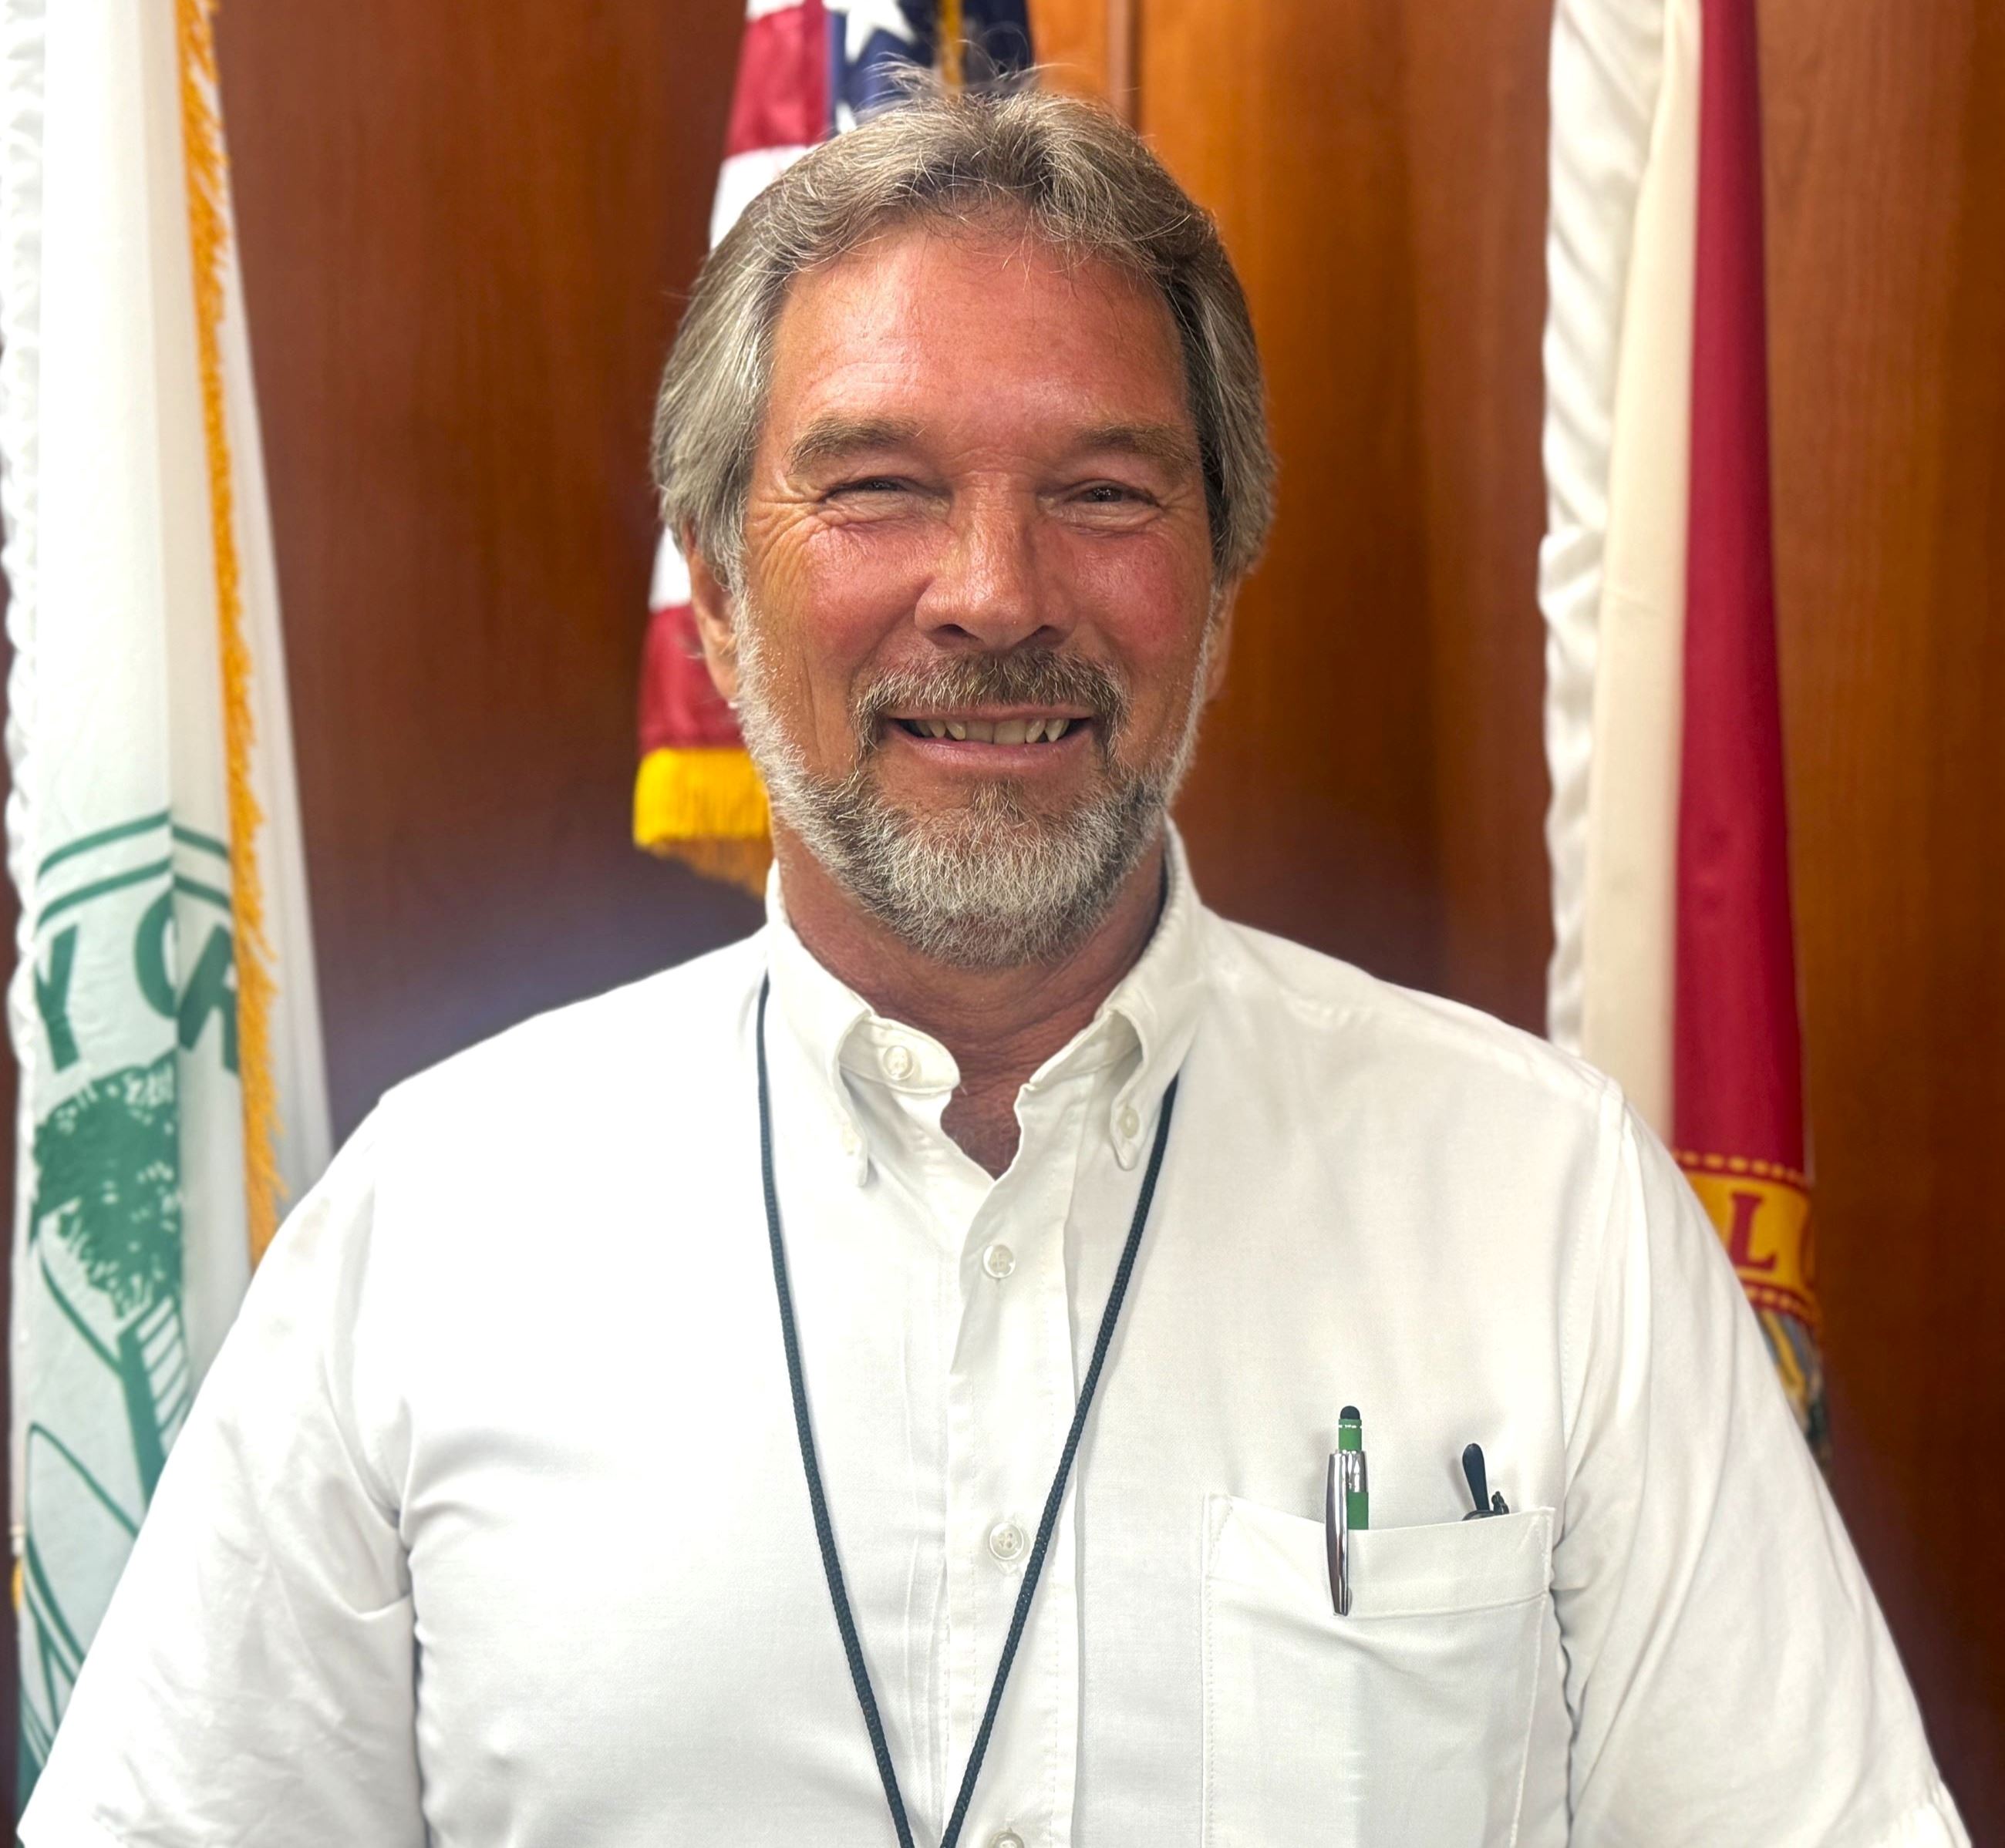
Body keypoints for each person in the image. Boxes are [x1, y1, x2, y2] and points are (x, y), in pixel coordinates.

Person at [22, 82, 1966, 1848]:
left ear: (1218, 581)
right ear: (711, 585)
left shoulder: (1545, 1202)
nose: (994, 589)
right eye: (876, 486)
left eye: (1103, 494)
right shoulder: (432, 1231)